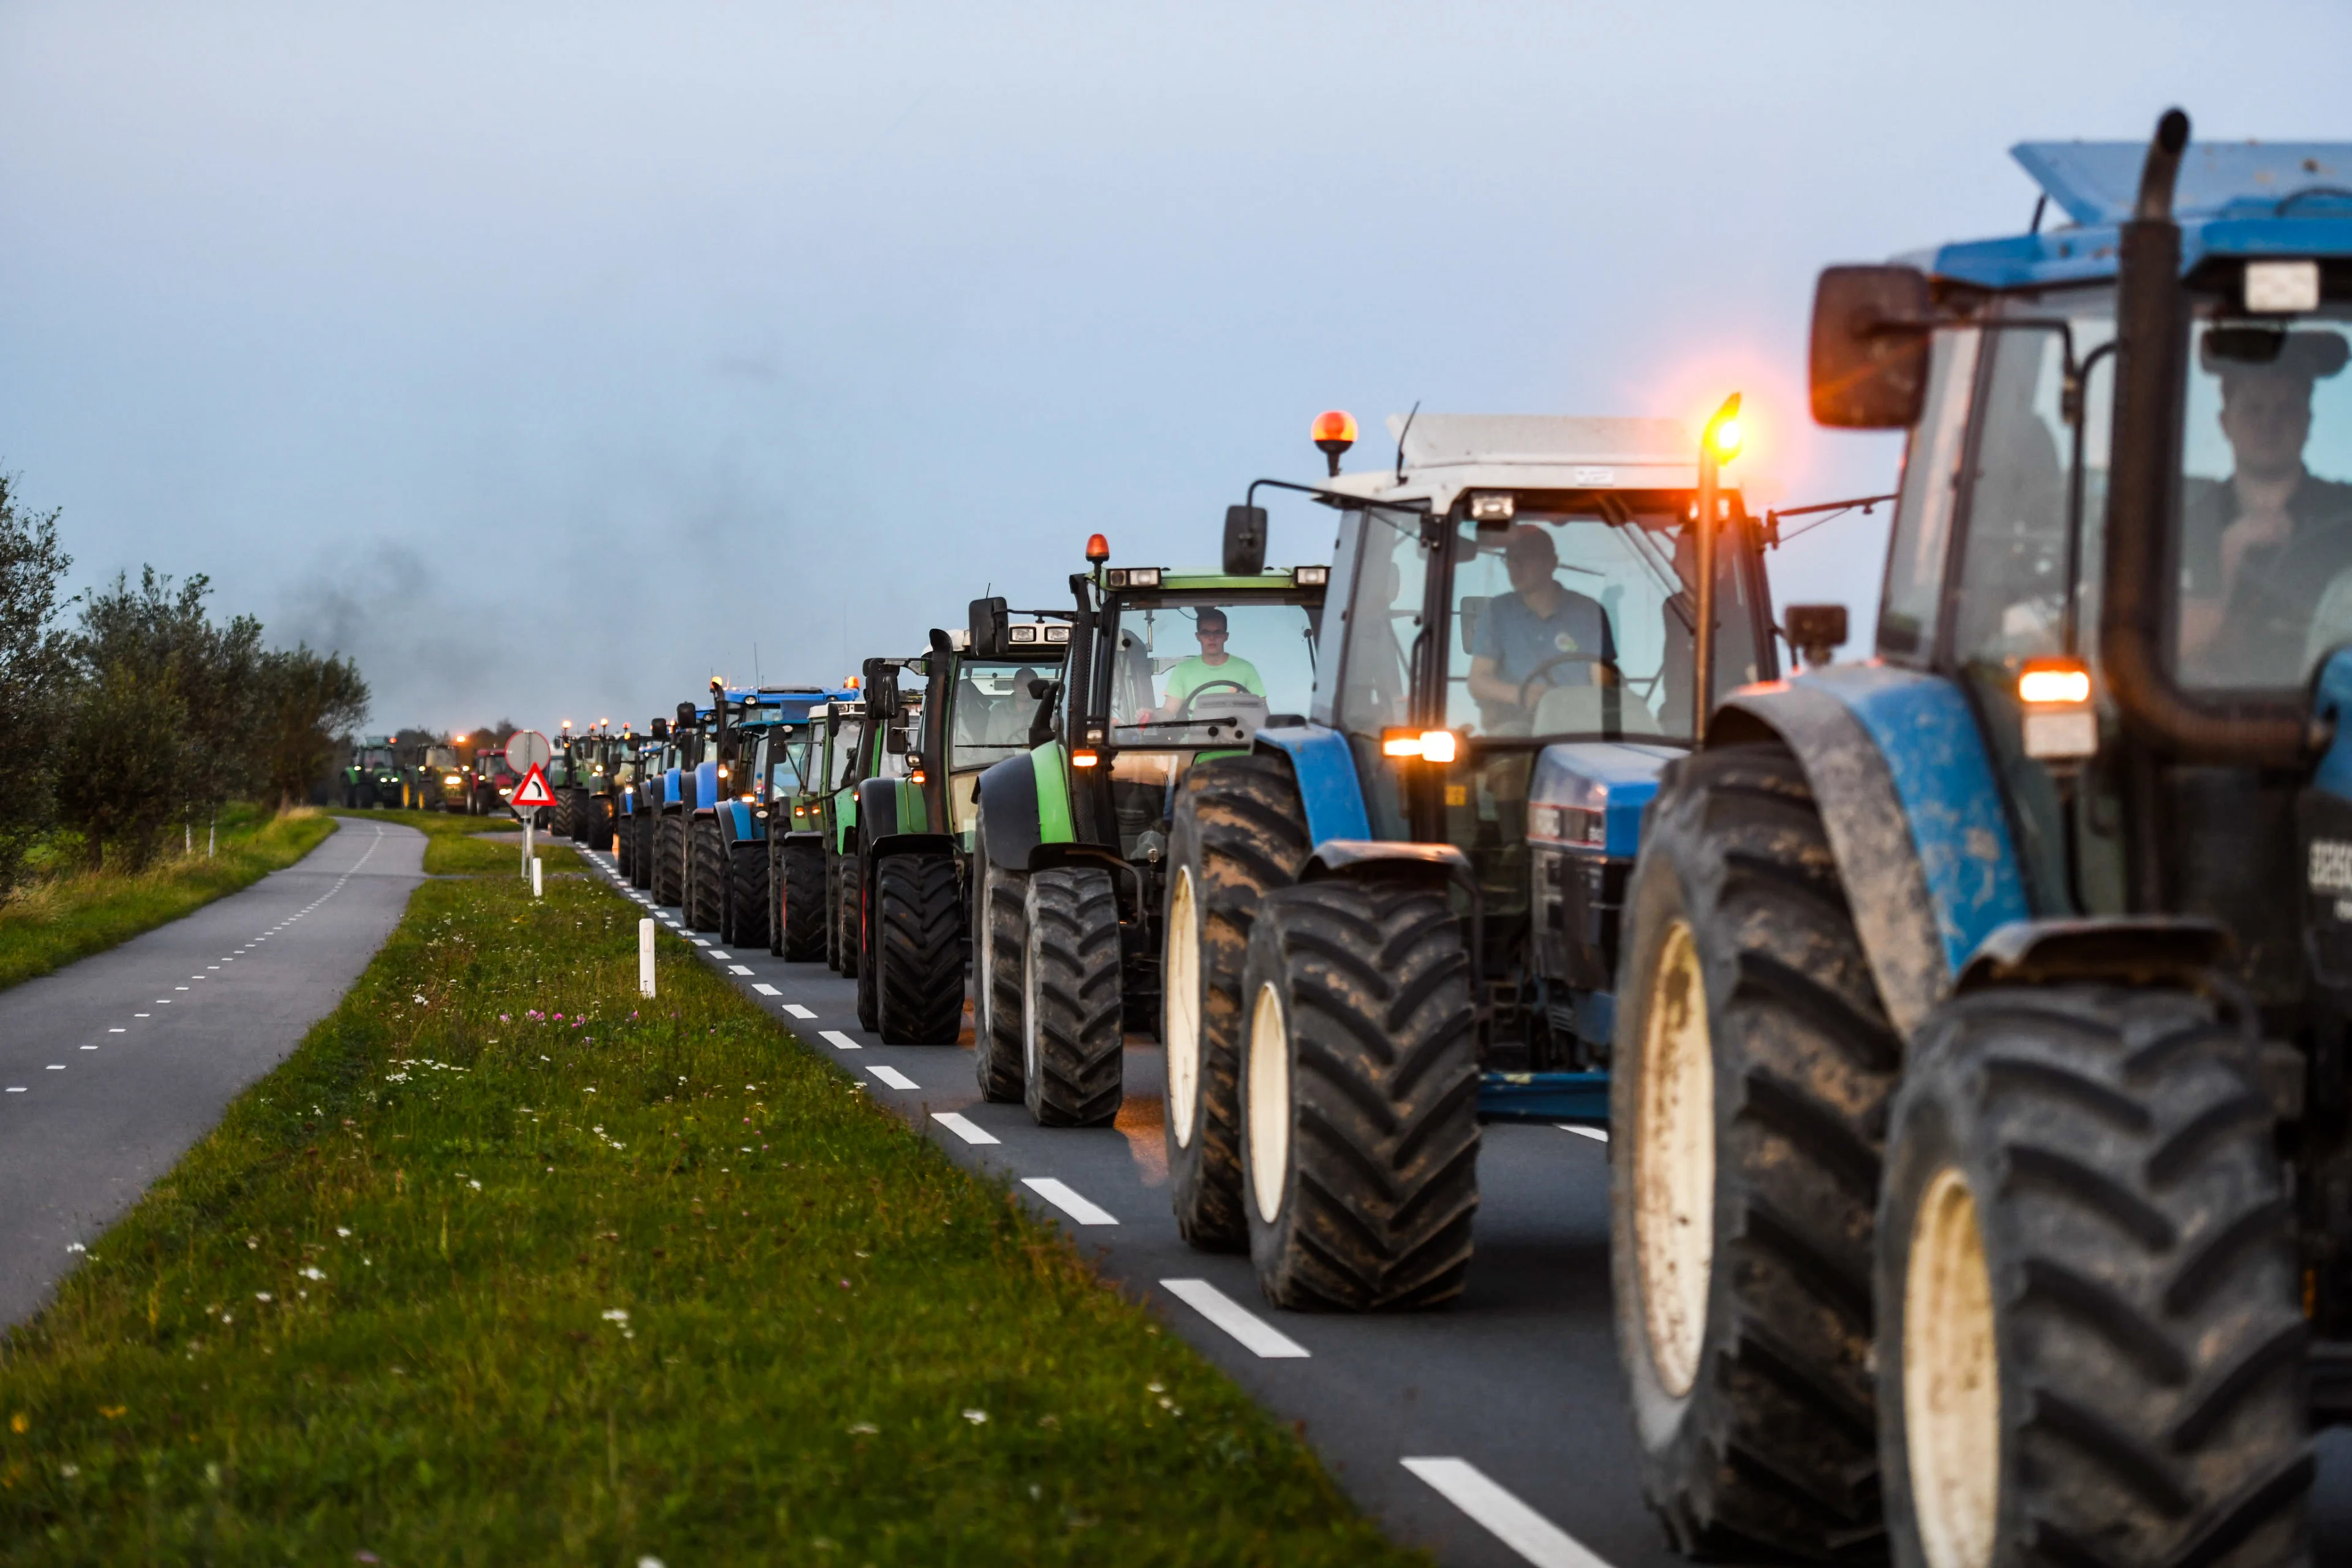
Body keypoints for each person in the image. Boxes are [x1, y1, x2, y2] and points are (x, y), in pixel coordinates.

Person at [2177, 328, 2352, 684]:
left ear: (2308, 422)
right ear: (2225, 423)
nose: (2270, 423)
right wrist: (2231, 549)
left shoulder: (2346, 516)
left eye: (2286, 408)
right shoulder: (2185, 522)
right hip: (2202, 720)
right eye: (2254, 408)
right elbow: (2157, 649)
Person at [1464, 524, 1614, 731]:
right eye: (1509, 559)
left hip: (1577, 726)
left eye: (1524, 559)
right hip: (1519, 725)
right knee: (1510, 735)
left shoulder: (1589, 612)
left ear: (1552, 563)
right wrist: (1521, 694)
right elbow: (1478, 681)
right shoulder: (1498, 612)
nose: (1514, 567)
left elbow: (1602, 681)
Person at [1140, 608, 1265, 722]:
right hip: (1194, 743)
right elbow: (1169, 711)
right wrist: (1153, 717)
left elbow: (1263, 712)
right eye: (1206, 633)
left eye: (1218, 632)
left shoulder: (1246, 669)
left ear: (1226, 636)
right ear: (1198, 636)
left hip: (1238, 741)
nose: (1212, 638)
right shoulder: (1183, 671)